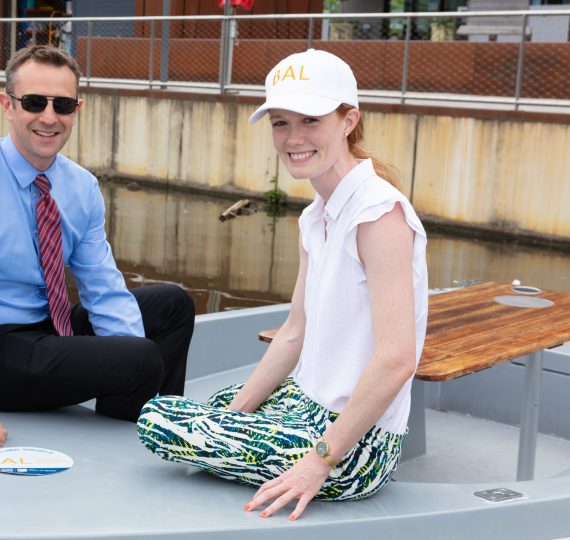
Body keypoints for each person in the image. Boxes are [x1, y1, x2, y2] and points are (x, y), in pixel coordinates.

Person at [137, 49, 428, 521]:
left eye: (310, 120)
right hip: (303, 401)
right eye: (279, 122)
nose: (292, 138)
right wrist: (233, 415)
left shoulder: (378, 215)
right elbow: (295, 330)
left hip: (358, 444)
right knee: (207, 408)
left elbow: (396, 359)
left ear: (349, 120)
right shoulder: (316, 216)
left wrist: (317, 464)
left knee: (157, 420)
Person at [0, 45, 195, 449]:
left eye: (62, 104)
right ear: (7, 106)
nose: (49, 117)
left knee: (171, 305)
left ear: (76, 109)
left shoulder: (80, 188)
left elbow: (103, 288)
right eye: (33, 102)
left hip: (45, 332)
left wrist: (129, 350)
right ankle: (145, 416)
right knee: (141, 358)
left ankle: (136, 421)